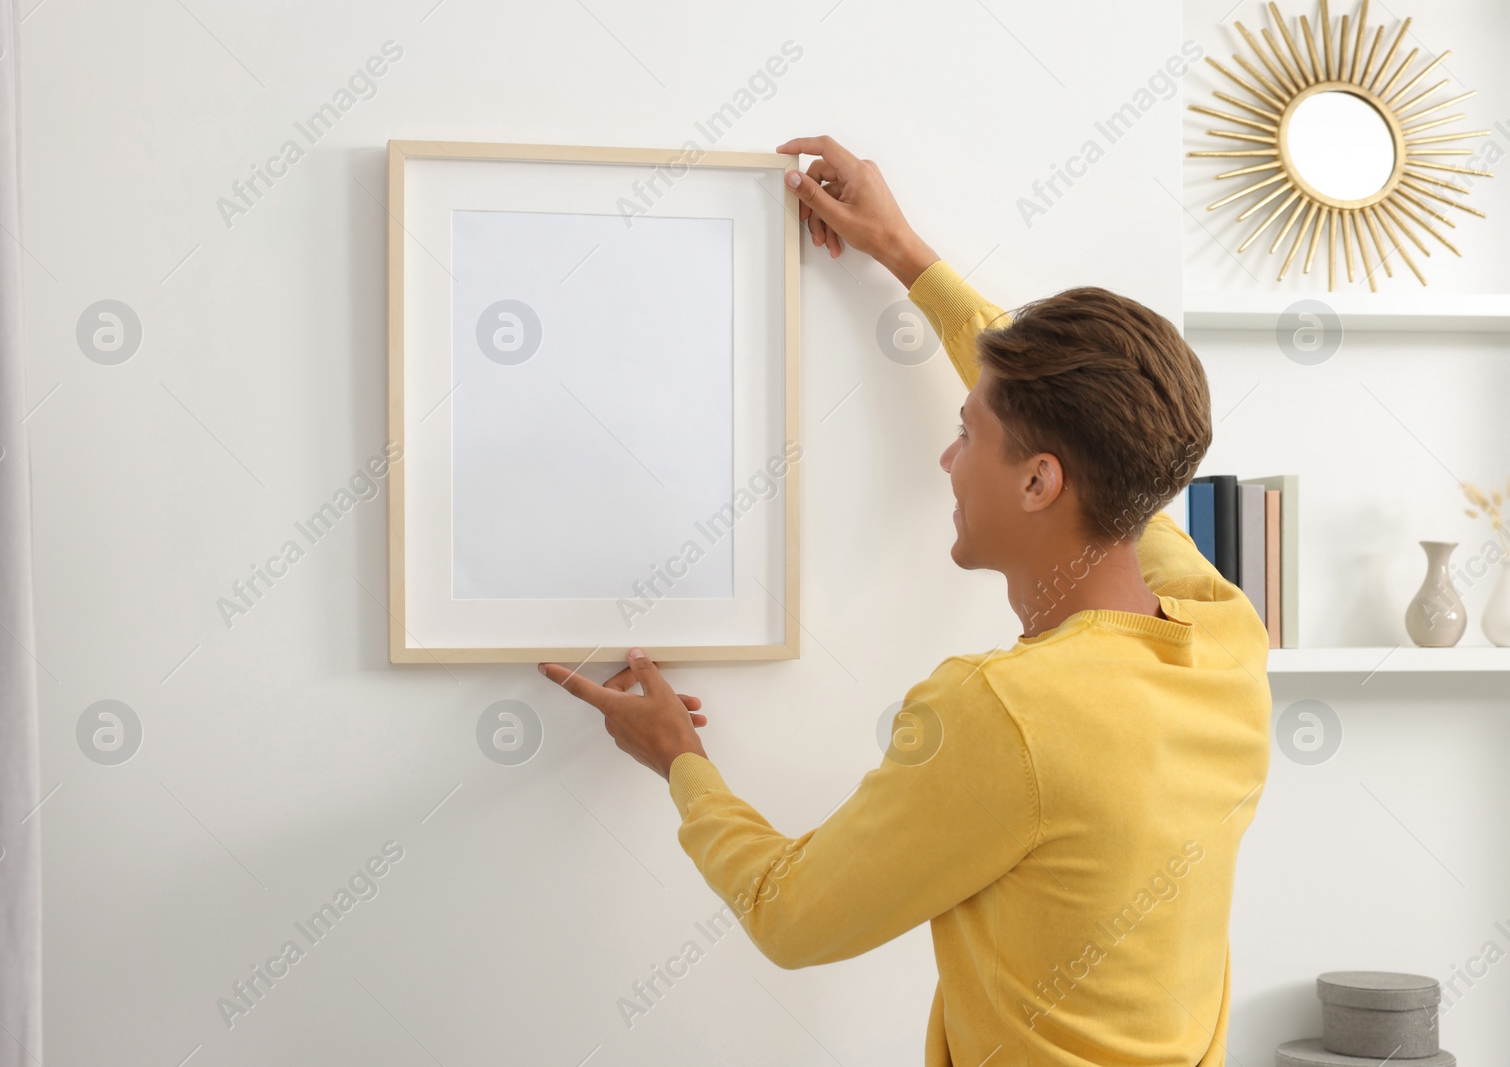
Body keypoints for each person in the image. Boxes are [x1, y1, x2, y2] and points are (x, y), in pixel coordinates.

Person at [539, 135, 1271, 1067]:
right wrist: (905, 255)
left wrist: (681, 760)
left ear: (1042, 482)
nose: (946, 457)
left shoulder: (1009, 713)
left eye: (969, 432)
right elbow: (1104, 449)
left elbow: (791, 915)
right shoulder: (1224, 636)